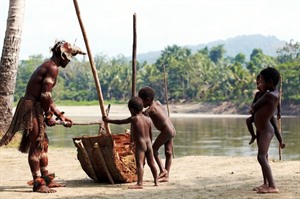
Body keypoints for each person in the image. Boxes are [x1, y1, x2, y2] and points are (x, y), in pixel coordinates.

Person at [0, 40, 86, 193]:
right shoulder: (52, 67)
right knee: (37, 144)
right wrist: (48, 116)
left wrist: (60, 115)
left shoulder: (50, 66)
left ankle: (46, 179)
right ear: (62, 56)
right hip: (30, 106)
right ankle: (38, 184)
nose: (69, 61)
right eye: (69, 58)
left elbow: (47, 98)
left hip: (36, 106)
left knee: (44, 142)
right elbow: (45, 96)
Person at [103, 96, 158, 189]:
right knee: (151, 162)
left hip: (141, 144)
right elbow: (150, 133)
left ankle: (139, 183)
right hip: (149, 143)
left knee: (139, 163)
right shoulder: (148, 119)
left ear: (132, 110)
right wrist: (151, 144)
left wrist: (108, 120)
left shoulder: (134, 119)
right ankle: (156, 181)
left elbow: (120, 122)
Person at [250, 67, 285, 194]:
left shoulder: (269, 95)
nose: (260, 84)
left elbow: (254, 107)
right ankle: (266, 184)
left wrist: (253, 108)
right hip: (262, 128)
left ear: (270, 82)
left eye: (262, 81)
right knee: (263, 156)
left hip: (266, 129)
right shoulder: (274, 94)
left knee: (261, 157)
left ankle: (272, 186)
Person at [138, 86, 176, 182]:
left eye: (141, 101)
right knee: (168, 152)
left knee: (153, 150)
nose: (141, 104)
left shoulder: (150, 110)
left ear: (147, 100)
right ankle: (166, 176)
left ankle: (163, 170)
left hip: (166, 130)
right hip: (172, 129)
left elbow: (143, 120)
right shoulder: (157, 103)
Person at [246, 74, 282, 145]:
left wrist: (279, 112)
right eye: (257, 84)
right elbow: (253, 104)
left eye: (260, 83)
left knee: (275, 127)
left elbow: (277, 103)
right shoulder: (258, 94)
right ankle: (253, 136)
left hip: (268, 115)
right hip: (259, 116)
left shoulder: (269, 94)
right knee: (248, 121)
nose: (259, 85)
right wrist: (253, 109)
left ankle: (281, 142)